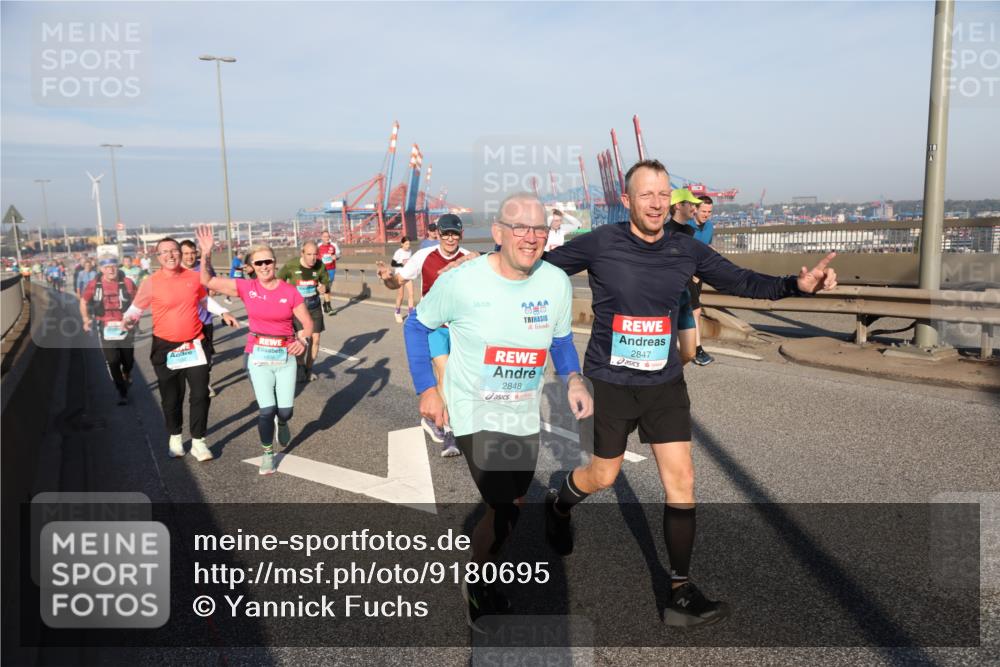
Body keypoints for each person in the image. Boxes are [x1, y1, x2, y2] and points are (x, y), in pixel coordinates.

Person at [542, 159, 837, 627]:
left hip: (663, 384)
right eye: (647, 195)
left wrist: (796, 286)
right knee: (602, 476)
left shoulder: (685, 249)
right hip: (611, 383)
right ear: (627, 201)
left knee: (683, 482)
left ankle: (679, 591)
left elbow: (741, 280)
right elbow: (536, 271)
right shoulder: (600, 244)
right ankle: (559, 505)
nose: (657, 203)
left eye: (664, 195)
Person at [403, 193, 592, 625]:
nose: (531, 237)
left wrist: (573, 377)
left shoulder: (555, 282)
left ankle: (483, 565)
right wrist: (427, 389)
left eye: (539, 229)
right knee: (504, 501)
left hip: (522, 414)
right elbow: (418, 325)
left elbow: (560, 339)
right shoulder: (462, 281)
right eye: (520, 227)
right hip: (473, 410)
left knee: (512, 504)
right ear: (498, 233)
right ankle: (482, 582)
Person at [196, 225, 313, 475]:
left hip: (285, 357)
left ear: (274, 262)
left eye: (268, 261)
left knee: (285, 410)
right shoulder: (247, 288)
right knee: (265, 410)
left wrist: (302, 341)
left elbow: (308, 323)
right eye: (258, 263)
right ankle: (268, 454)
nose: (264, 267)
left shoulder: (289, 291)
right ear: (251, 267)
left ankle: (283, 422)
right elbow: (205, 280)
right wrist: (205, 254)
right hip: (258, 356)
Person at [122, 238, 231, 461]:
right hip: (166, 347)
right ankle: (175, 436)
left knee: (200, 393)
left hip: (194, 343)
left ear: (180, 254)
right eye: (165, 252)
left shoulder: (193, 277)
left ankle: (199, 442)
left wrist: (223, 312)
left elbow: (204, 302)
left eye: (174, 251)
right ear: (158, 256)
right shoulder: (151, 282)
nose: (170, 255)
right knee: (172, 398)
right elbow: (136, 308)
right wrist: (126, 322)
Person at [376, 213, 471, 457]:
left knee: (462, 379)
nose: (450, 238)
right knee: (446, 374)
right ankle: (450, 433)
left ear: (461, 234)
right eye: (445, 233)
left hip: (461, 329)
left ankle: (435, 419)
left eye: (455, 233)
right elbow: (397, 282)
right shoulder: (423, 256)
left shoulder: (470, 258)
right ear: (437, 234)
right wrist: (387, 278)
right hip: (434, 326)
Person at [180, 240, 238, 397]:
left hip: (205, 319)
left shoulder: (204, 267)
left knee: (207, 358)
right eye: (186, 253)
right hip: (185, 323)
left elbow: (213, 286)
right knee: (191, 358)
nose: (190, 256)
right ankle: (199, 384)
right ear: (180, 254)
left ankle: (204, 382)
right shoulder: (176, 272)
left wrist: (213, 291)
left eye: (192, 253)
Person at [79, 254, 137, 406]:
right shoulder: (94, 284)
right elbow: (84, 301)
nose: (111, 270)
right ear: (101, 269)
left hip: (126, 325)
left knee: (128, 360)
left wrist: (133, 319)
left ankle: (127, 372)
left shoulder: (128, 283)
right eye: (106, 267)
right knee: (112, 361)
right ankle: (121, 392)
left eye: (113, 266)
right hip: (105, 327)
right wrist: (86, 320)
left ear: (117, 267)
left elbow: (138, 303)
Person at [277, 241, 330, 383]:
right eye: (309, 254)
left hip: (314, 306)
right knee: (303, 340)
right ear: (302, 253)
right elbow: (278, 281)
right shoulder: (292, 265)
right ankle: (300, 367)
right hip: (298, 308)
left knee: (316, 339)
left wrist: (324, 287)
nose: (313, 258)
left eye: (315, 254)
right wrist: (286, 294)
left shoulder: (320, 266)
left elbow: (326, 282)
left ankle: (309, 369)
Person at [689, 195, 716, 365]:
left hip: (699, 276)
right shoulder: (686, 227)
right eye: (703, 211)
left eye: (709, 212)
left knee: (686, 312)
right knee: (695, 311)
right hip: (685, 275)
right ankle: (697, 350)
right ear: (695, 210)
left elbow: (706, 248)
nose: (706, 214)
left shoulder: (710, 227)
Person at [390, 236, 415, 323]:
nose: (408, 246)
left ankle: (410, 313)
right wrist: (401, 264)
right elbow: (392, 263)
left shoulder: (410, 251)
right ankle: (397, 312)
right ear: (402, 244)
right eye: (406, 244)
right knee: (400, 295)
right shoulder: (398, 252)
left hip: (408, 275)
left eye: (409, 244)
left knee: (411, 294)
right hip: (399, 275)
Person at [316, 230, 341, 316]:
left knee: (328, 287)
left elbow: (339, 255)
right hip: (322, 270)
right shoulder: (318, 246)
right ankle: (329, 307)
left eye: (328, 236)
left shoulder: (333, 245)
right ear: (321, 237)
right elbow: (314, 256)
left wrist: (336, 257)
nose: (327, 238)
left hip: (331, 269)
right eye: (325, 236)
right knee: (326, 287)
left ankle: (325, 304)